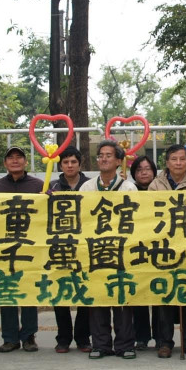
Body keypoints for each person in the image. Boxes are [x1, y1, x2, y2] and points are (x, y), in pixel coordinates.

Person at [81, 140, 137, 358]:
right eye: (100, 155)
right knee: (98, 297)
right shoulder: (87, 187)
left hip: (122, 249)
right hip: (95, 249)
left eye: (108, 155)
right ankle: (100, 344)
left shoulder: (128, 187)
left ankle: (125, 345)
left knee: (122, 297)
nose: (103, 159)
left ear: (118, 161)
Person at [149, 144, 186, 358]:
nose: (178, 163)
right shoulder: (155, 184)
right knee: (165, 295)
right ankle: (165, 342)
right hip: (163, 246)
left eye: (182, 159)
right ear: (167, 162)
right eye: (174, 159)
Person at [0, 146, 44, 353]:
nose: (15, 161)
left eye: (19, 157)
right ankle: (9, 338)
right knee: (7, 292)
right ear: (5, 163)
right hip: (4, 247)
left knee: (29, 292)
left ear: (25, 162)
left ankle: (29, 337)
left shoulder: (39, 185)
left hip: (30, 247)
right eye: (10, 158)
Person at [49, 145, 91, 353]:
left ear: (80, 164)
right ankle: (63, 338)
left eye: (73, 161)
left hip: (84, 246)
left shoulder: (90, 185)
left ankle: (83, 337)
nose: (70, 165)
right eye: (65, 162)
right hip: (60, 246)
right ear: (60, 165)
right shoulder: (52, 186)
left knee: (85, 290)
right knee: (61, 292)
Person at [129, 155, 159, 350]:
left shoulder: (162, 190)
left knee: (158, 294)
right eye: (139, 170)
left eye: (147, 168)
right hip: (134, 249)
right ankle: (141, 337)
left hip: (158, 248)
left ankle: (160, 336)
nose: (144, 172)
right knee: (138, 294)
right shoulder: (127, 191)